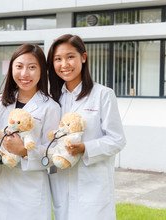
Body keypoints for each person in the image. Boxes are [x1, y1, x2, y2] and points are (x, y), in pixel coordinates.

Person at [46, 34, 126, 220]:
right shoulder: (54, 99)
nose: (64, 64)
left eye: (70, 57)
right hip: (62, 182)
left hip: (93, 184)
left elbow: (117, 139)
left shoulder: (103, 94)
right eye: (58, 59)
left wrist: (85, 148)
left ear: (83, 57)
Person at [0, 43, 60, 220]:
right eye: (19, 66)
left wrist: (24, 151)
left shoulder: (50, 107)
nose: (24, 74)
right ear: (11, 68)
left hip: (30, 190)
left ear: (42, 71)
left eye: (32, 67)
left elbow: (53, 153)